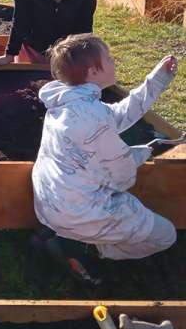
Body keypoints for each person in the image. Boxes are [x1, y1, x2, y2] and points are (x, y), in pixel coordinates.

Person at [32, 33, 178, 285]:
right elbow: (120, 175)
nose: (114, 61)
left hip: (52, 205)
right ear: (93, 71)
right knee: (165, 235)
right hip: (81, 212)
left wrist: (157, 80)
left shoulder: (67, 105)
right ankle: (87, 251)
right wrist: (144, 152)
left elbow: (119, 115)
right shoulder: (92, 120)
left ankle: (74, 238)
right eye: (109, 58)